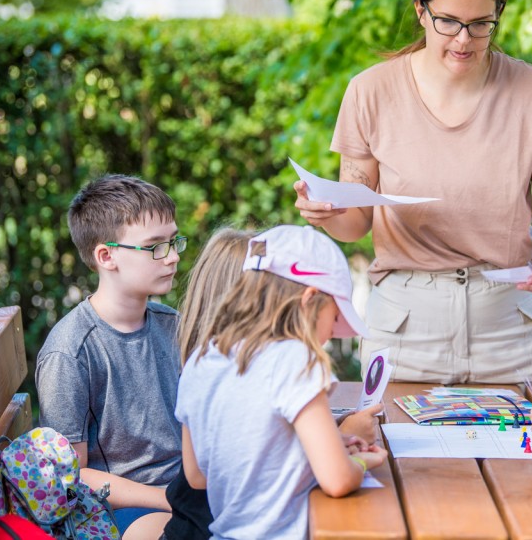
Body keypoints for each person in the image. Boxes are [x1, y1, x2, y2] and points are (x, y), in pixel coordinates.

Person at [295, 0, 532, 385]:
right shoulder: (370, 91)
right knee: (393, 435)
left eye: (481, 24)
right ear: (421, 11)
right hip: (406, 331)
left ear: (498, 15)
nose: (463, 40)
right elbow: (356, 222)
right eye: (448, 22)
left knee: (530, 436)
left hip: (511, 329)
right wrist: (327, 213)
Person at [162, 227, 384, 540]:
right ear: (309, 300)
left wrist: (319, 448)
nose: (330, 335)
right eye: (334, 318)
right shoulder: (297, 357)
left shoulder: (200, 359)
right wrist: (359, 462)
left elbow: (198, 475)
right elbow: (337, 480)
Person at [37, 175, 185, 540]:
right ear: (106, 256)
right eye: (155, 246)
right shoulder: (70, 351)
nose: (173, 256)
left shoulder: (173, 325)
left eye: (173, 241)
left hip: (187, 486)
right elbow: (71, 475)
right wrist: (170, 499)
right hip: (119, 508)